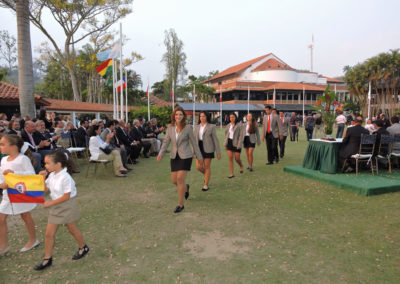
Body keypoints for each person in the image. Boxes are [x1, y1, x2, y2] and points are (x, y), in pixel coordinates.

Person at [34, 150, 89, 270]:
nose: (45, 166)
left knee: (72, 229)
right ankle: (47, 259)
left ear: (58, 164)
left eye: (48, 163)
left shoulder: (65, 177)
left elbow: (66, 196)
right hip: (56, 207)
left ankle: (83, 247)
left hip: (67, 206)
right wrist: (42, 179)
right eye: (45, 163)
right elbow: (45, 189)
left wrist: (50, 203)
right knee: (49, 234)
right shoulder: (52, 175)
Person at [157, 107, 203, 213]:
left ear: (183, 116)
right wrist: (161, 153)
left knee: (180, 179)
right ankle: (186, 188)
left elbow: (194, 143)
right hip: (174, 156)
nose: (178, 116)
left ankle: (180, 205)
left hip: (186, 156)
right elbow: (166, 142)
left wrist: (199, 157)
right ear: (174, 116)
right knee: (174, 181)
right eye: (176, 114)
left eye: (180, 115)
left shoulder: (188, 128)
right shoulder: (170, 128)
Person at [0, 134, 39, 256]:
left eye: (2, 144)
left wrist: (14, 173)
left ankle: (33, 240)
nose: (0, 146)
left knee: (25, 215)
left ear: (13, 146)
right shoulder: (3, 160)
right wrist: (2, 184)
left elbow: (31, 175)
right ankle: (3, 246)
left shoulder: (23, 159)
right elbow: (1, 175)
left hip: (20, 193)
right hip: (7, 194)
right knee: (1, 218)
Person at [193, 111, 221, 191]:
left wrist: (218, 152)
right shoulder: (196, 127)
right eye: (201, 116)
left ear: (207, 117)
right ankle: (207, 176)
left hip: (209, 148)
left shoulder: (212, 126)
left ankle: (206, 185)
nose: (202, 118)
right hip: (199, 148)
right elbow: (194, 140)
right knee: (198, 167)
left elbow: (215, 140)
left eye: (203, 116)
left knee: (207, 166)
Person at [223, 113, 244, 178]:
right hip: (229, 142)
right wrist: (226, 144)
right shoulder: (228, 125)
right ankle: (231, 173)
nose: (231, 119)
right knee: (230, 158)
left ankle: (241, 165)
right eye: (230, 117)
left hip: (237, 143)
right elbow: (226, 134)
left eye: (233, 117)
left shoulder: (240, 125)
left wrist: (239, 144)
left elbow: (241, 136)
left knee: (237, 158)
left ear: (236, 118)